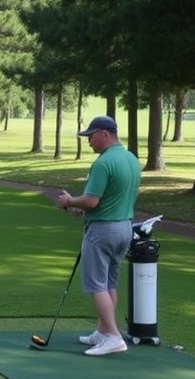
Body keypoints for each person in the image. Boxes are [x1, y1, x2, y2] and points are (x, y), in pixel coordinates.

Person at [56, 116, 141, 356]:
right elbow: (111, 196)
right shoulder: (131, 159)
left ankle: (113, 336)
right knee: (109, 283)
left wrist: (69, 201)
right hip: (124, 227)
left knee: (96, 285)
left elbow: (92, 200)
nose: (89, 141)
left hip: (103, 230)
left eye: (91, 136)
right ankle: (103, 331)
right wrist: (81, 207)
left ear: (105, 134)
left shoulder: (103, 163)